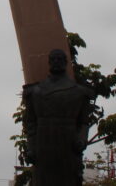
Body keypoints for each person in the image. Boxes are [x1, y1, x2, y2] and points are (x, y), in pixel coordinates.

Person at [22, 48, 96, 186]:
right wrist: (31, 147)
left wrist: (81, 139)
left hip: (68, 147)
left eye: (60, 59)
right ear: (49, 62)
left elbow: (84, 122)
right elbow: (31, 123)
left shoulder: (79, 92)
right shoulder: (35, 92)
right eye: (53, 59)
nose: (56, 62)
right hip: (43, 146)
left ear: (66, 62)